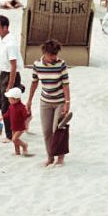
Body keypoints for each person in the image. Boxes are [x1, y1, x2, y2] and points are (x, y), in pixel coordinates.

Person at [26, 39, 71, 167]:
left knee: (57, 129)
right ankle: (50, 157)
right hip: (45, 102)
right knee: (46, 131)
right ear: (45, 53)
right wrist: (29, 100)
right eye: (51, 55)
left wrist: (67, 102)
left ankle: (60, 157)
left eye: (55, 54)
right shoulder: (37, 65)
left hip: (60, 102)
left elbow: (66, 85)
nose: (54, 57)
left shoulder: (61, 64)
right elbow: (34, 83)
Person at [0, 15, 22, 140]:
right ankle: (22, 117)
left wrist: (10, 85)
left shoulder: (11, 43)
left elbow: (13, 66)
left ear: (5, 27)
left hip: (11, 74)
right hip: (3, 73)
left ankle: (10, 135)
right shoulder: (1, 38)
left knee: (6, 105)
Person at [4, 87, 31, 156]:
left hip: (20, 127)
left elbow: (26, 116)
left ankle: (24, 146)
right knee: (15, 142)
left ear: (15, 99)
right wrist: (1, 117)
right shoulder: (11, 106)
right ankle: (17, 153)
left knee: (14, 139)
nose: (8, 100)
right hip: (13, 126)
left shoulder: (22, 107)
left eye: (9, 98)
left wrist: (28, 112)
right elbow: (8, 114)